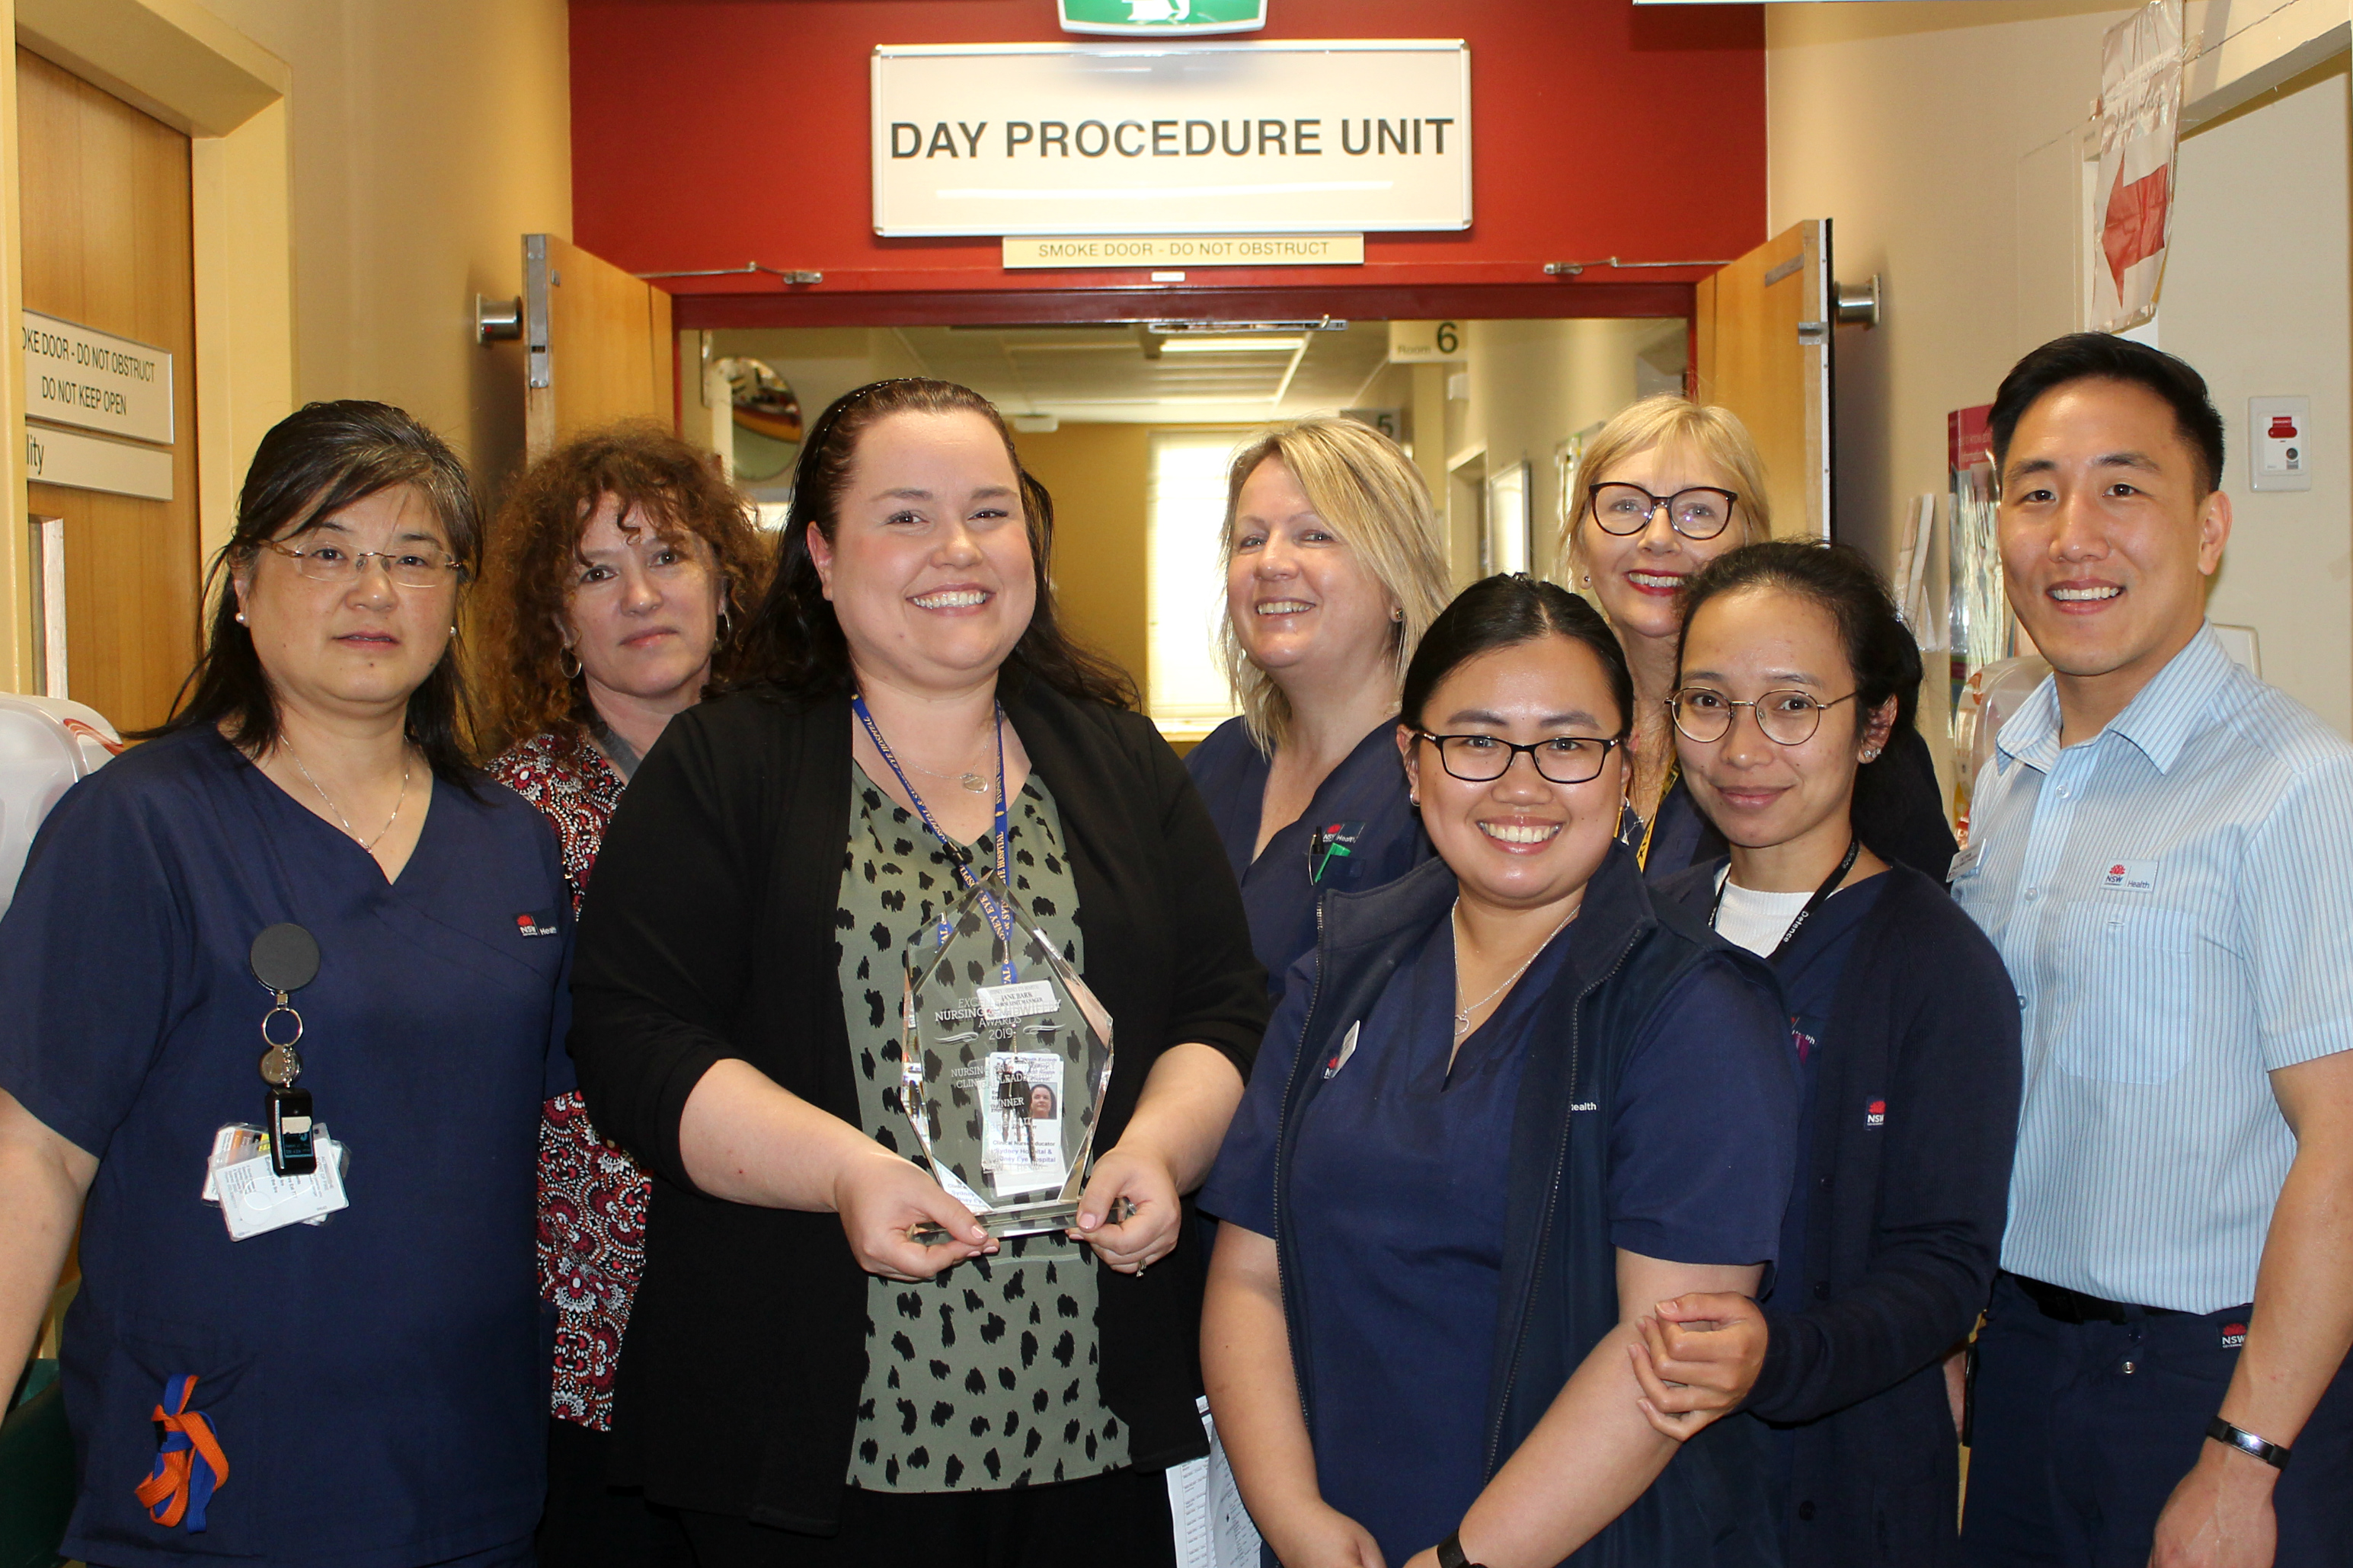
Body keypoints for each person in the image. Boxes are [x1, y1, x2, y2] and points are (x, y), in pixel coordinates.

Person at [566, 378, 1268, 1565]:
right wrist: (847, 1172)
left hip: (1087, 1417)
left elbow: (1219, 1001)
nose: (958, 548)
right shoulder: (725, 763)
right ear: (823, 557)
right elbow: (637, 1040)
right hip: (808, 1432)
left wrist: (1161, 1146)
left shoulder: (1116, 754)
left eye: (991, 512)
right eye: (905, 515)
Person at [0, 401, 572, 1566]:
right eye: (327, 549)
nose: (373, 590)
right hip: (213, 1473)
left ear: (455, 598)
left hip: (465, 1471)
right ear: (245, 583)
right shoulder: (138, 824)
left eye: (413, 557)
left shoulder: (511, 840)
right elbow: (35, 1154)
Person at [1200, 573, 1802, 1568]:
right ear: (1412, 759)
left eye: (1566, 744)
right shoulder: (1339, 971)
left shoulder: (1693, 1012)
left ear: (1628, 762)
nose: (1520, 786)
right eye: (1475, 740)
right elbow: (1249, 1275)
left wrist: (1463, 1561)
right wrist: (1297, 1519)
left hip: (1573, 1539)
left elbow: (1663, 1359)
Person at [1952, 334, 2353, 1568]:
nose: (2072, 533)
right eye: (2034, 491)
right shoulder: (2009, 755)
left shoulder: (2293, 787)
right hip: (2021, 1354)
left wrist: (2244, 1455)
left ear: (2206, 524)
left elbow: (2341, 1145)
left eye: (2121, 487)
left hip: (2212, 1380)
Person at [1625, 540, 2022, 1566]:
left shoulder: (1934, 961)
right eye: (1707, 701)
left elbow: (1944, 1265)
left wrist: (1779, 1354)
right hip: (1631, 1462)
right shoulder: (1637, 930)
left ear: (1874, 724)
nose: (1743, 747)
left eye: (1793, 704)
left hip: (1840, 1485)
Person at [474, 423, 771, 1565]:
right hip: (588, 1314)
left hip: (785, 1279)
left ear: (725, 585)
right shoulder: (506, 814)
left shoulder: (810, 772)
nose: (640, 594)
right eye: (596, 571)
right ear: (556, 617)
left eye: (669, 556)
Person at [1558, 394, 1955, 880]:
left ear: (1751, 542)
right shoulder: (1546, 725)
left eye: (1698, 512)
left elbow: (1910, 923)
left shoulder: (1840, 735)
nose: (1658, 537)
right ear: (1581, 540)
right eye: (1625, 505)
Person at [1186, 417, 1453, 1002]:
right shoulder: (1218, 764)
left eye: (1313, 535)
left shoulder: (1444, 780)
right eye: (1250, 539)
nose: (1270, 562)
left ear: (1395, 582)